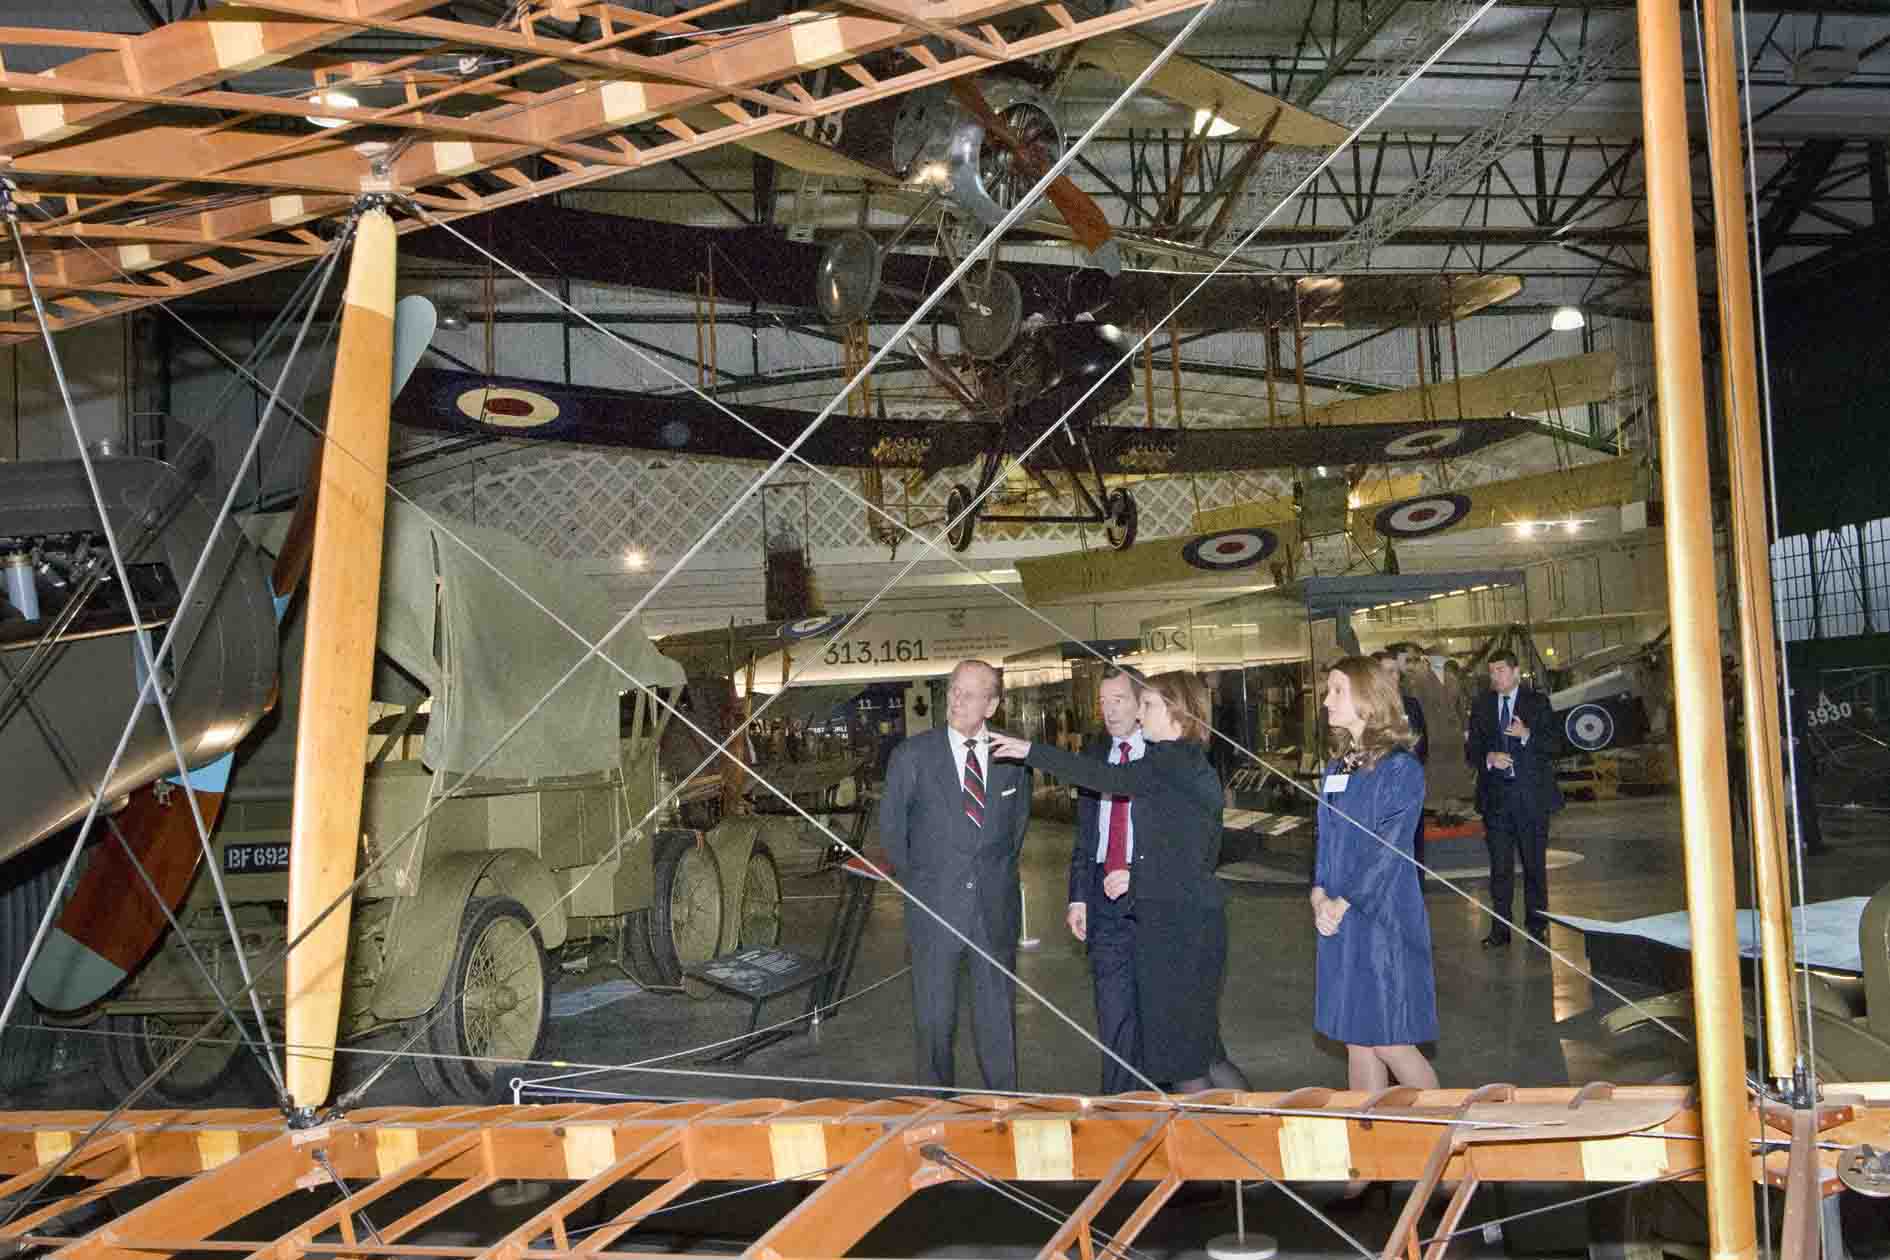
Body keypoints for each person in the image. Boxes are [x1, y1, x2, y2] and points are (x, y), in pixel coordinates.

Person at [992, 671, 1240, 1093]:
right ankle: (1260, 1130)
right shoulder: (1183, 762)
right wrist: (1134, 874)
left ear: (1178, 713)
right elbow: (1184, 849)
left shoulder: (1170, 762)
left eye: (1148, 706)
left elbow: (1109, 780)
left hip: (1179, 930)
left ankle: (1222, 1147)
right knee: (1200, 1053)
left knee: (1184, 1063)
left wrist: (1030, 750)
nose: (1139, 716)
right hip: (1184, 921)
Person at [880, 659, 1033, 1090]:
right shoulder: (912, 757)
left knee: (997, 1025)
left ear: (992, 704)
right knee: (933, 1024)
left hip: (993, 912)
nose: (957, 700)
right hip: (934, 911)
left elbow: (1015, 829)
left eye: (969, 693)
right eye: (953, 690)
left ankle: (1005, 1110)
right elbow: (893, 835)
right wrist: (930, 886)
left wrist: (987, 875)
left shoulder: (1013, 759)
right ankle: (937, 1111)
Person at [1311, 655, 1439, 1096]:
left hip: (1383, 919)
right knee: (1357, 1041)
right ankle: (1370, 1155)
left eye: (1337, 690)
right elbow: (1325, 840)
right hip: (1339, 918)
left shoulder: (1401, 769)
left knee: (1390, 1041)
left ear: (1367, 699)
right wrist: (1317, 896)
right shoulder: (1337, 768)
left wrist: (1342, 903)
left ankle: (1450, 1132)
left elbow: (1388, 850)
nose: (1326, 700)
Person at [1065, 666, 1146, 1095]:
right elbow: (1086, 832)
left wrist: (1138, 874)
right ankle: (1118, 1113)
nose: (1110, 711)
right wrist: (1078, 896)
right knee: (1113, 1016)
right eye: (1103, 702)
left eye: (1119, 700)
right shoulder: (1095, 756)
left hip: (1151, 900)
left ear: (1140, 704)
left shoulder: (1161, 755)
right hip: (1103, 900)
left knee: (1156, 1020)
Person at [1465, 649, 1564, 947]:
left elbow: (1554, 745)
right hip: (1496, 800)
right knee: (1500, 869)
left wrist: (1526, 734)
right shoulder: (1481, 705)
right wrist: (1488, 757)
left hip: (1530, 799)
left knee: (1534, 866)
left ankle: (1537, 926)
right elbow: (1471, 751)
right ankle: (1500, 928)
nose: (1495, 677)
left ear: (1515, 672)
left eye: (1500, 671)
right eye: (1491, 672)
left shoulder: (1537, 703)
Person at [1376, 648, 1429, 886]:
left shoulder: (1412, 705)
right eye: (1386, 672)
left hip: (1409, 793)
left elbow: (1423, 744)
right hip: (1379, 796)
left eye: (1396, 672)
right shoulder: (1367, 711)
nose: (1393, 677)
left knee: (1414, 852)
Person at [1407, 644, 1474, 809]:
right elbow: (1416, 708)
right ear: (1428, 659)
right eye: (1436, 656)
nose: (1440, 659)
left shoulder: (1452, 678)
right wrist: (1418, 733)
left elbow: (1460, 705)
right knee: (1436, 772)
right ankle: (1438, 809)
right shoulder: (1419, 680)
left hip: (1453, 733)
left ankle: (1452, 807)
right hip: (1432, 732)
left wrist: (1466, 729)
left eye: (1443, 656)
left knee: (1454, 773)